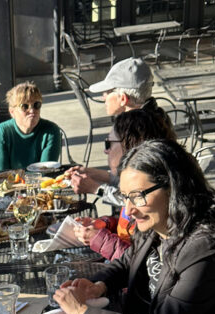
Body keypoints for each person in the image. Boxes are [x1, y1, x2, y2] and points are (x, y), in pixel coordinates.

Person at [52, 140, 215, 314]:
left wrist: (83, 313)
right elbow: (127, 262)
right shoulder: (159, 225)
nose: (129, 209)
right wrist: (99, 285)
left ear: (174, 188)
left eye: (137, 196)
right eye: (125, 196)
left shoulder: (207, 249)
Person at [71, 108, 177, 261]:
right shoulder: (143, 191)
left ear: (130, 145)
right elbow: (126, 224)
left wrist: (99, 239)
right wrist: (105, 224)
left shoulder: (158, 202)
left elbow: (145, 264)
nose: (105, 151)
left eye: (109, 143)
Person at [67, 58, 175, 197]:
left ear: (123, 98)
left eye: (107, 92)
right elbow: (129, 179)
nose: (103, 97)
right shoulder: (152, 117)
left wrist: (97, 189)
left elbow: (140, 198)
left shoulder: (139, 130)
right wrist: (95, 174)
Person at [0, 82, 62, 171]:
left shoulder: (51, 131)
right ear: (12, 111)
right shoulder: (2, 132)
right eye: (25, 106)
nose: (32, 110)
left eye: (36, 105)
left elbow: (45, 172)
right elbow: (0, 174)